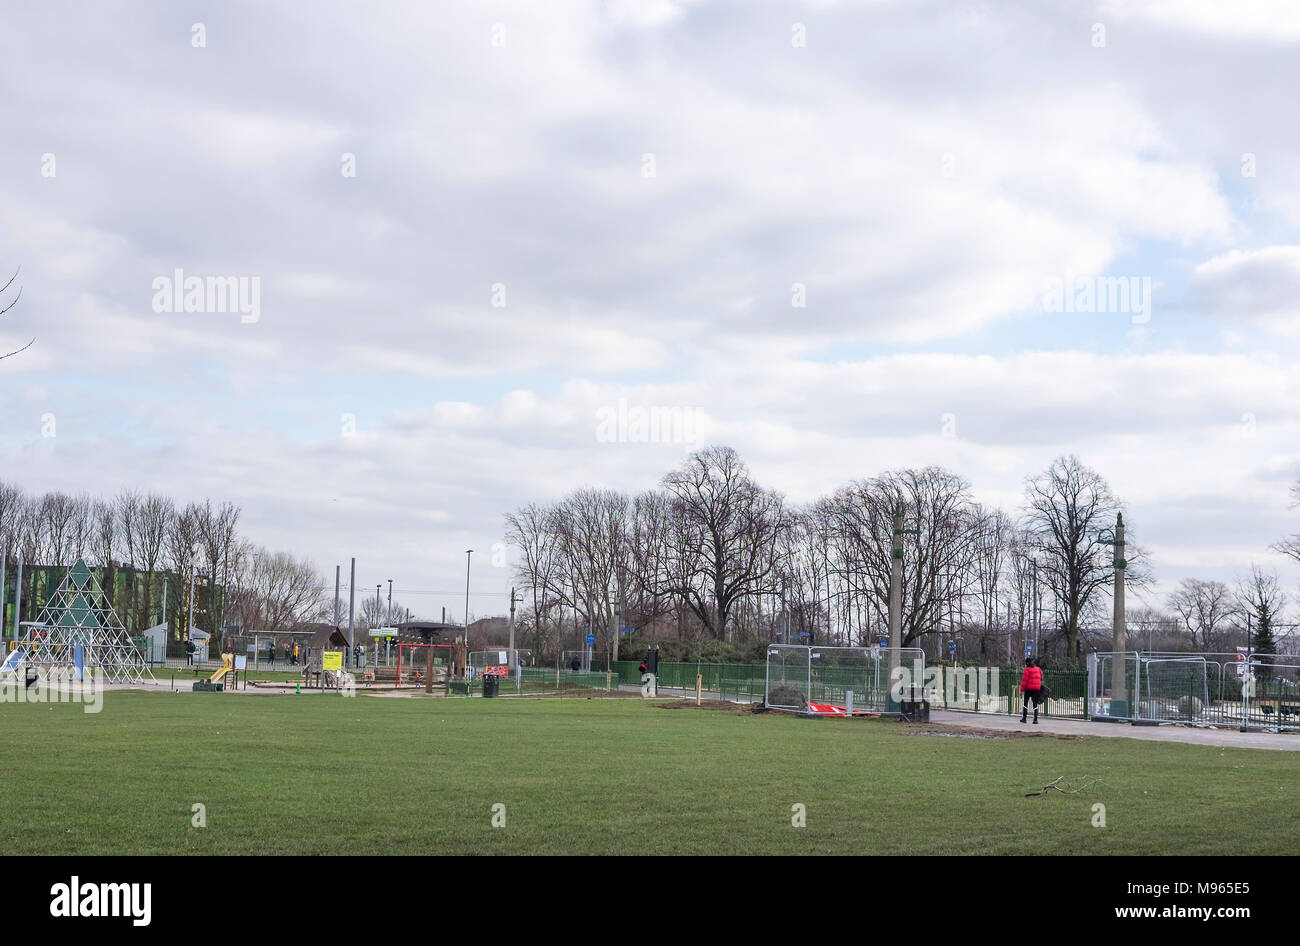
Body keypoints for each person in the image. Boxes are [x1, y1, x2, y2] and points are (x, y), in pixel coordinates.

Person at [1020, 657, 1043, 724]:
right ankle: (1035, 720)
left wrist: (1021, 690)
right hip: (1036, 689)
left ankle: (1024, 719)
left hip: (1028, 689)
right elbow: (1041, 676)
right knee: (1035, 704)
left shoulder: (1027, 670)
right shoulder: (1038, 669)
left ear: (1027, 663)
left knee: (1025, 703)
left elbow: (1024, 681)